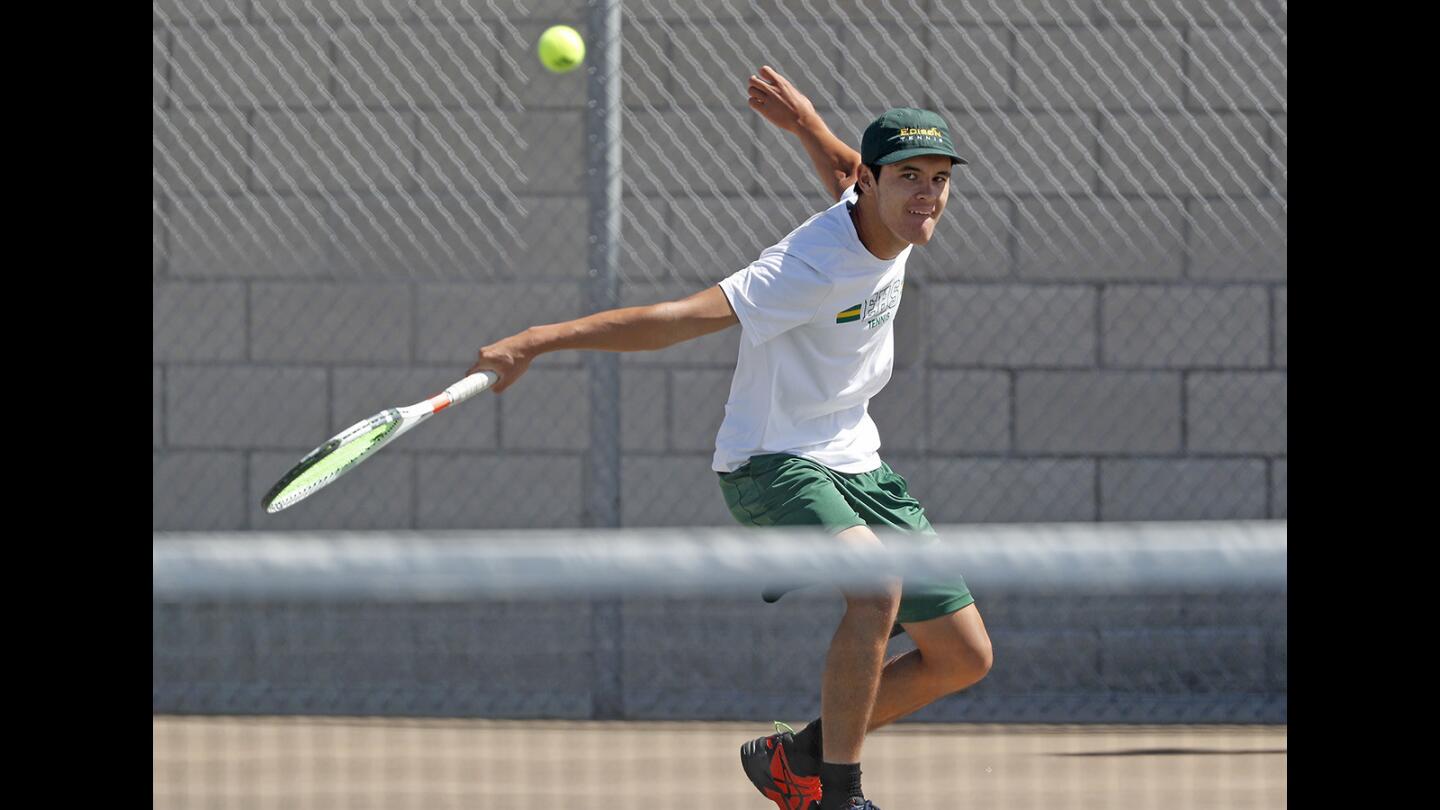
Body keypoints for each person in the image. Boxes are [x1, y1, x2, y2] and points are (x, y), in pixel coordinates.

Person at [467, 66, 994, 810]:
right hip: (772, 463)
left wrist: (807, 119)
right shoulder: (805, 267)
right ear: (874, 185)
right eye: (911, 177)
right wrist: (538, 339)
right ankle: (835, 795)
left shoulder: (887, 210)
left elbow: (846, 166)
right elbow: (680, 317)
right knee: (876, 590)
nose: (928, 195)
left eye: (940, 178)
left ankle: (795, 757)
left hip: (856, 458)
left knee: (963, 656)